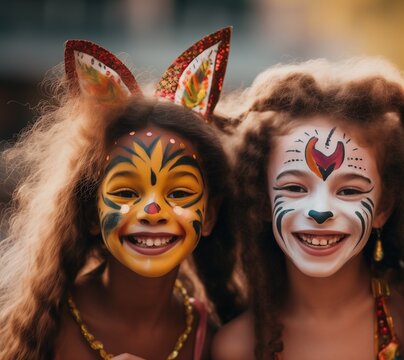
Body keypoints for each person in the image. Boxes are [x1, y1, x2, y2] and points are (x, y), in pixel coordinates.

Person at [0, 28, 241, 359]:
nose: (152, 210)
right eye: (127, 192)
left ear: (210, 215)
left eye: (180, 192)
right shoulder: (39, 327)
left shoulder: (214, 339)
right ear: (90, 213)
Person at [211, 58, 404, 359]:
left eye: (349, 190)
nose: (319, 211)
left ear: (383, 207)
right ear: (263, 200)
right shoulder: (238, 347)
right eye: (295, 188)